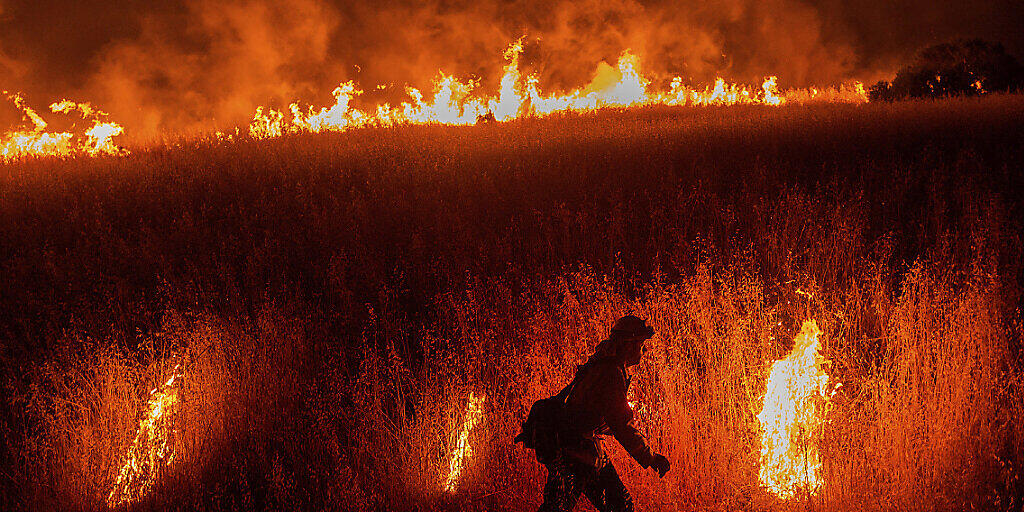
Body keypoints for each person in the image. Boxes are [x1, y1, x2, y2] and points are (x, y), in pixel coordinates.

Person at [538, 315, 670, 512]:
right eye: (641, 344)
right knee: (618, 507)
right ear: (628, 345)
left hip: (584, 450)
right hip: (576, 454)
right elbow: (621, 426)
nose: (644, 350)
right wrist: (650, 457)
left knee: (617, 506)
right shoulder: (610, 374)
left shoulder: (605, 366)